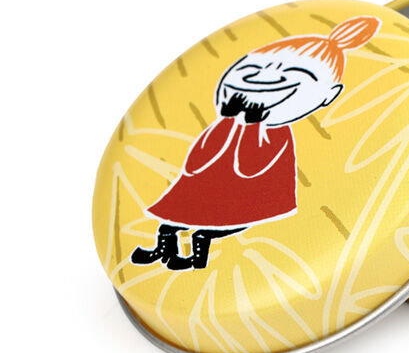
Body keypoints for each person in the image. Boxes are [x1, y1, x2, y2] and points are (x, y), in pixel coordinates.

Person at [131, 15, 381, 270]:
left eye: (292, 74)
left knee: (216, 225)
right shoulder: (228, 122)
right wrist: (230, 121)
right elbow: (199, 157)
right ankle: (163, 251)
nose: (265, 78)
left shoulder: (276, 133)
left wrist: (252, 125)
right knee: (173, 219)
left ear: (329, 95)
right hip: (206, 185)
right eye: (252, 70)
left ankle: (197, 253)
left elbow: (251, 165)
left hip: (247, 194)